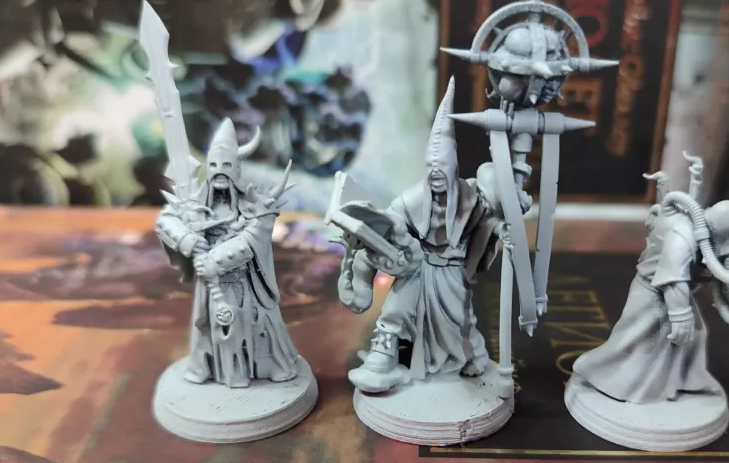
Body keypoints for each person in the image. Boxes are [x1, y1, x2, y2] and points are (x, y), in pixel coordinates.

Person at [338, 79, 521, 393]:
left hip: (453, 271)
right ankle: (383, 359)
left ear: (453, 168)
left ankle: (471, 358)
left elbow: (488, 220)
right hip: (418, 268)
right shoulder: (411, 200)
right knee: (396, 309)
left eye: (443, 168)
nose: (436, 174)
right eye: (430, 168)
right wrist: (363, 240)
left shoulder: (471, 197)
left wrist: (503, 224)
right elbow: (386, 226)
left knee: (461, 319)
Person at [156, 119, 298, 388]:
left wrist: (213, 260)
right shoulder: (193, 201)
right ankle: (216, 372)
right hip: (210, 288)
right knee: (211, 331)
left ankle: (263, 369)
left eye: (227, 165)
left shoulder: (255, 204)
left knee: (257, 330)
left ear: (237, 168)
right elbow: (165, 220)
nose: (220, 171)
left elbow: (251, 240)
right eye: (214, 165)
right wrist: (187, 239)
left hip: (246, 284)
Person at [570, 199, 729, 405]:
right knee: (639, 343)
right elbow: (673, 279)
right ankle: (604, 375)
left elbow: (688, 273)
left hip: (672, 295)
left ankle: (683, 380)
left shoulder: (696, 231)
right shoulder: (683, 236)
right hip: (652, 293)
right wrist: (680, 315)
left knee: (694, 334)